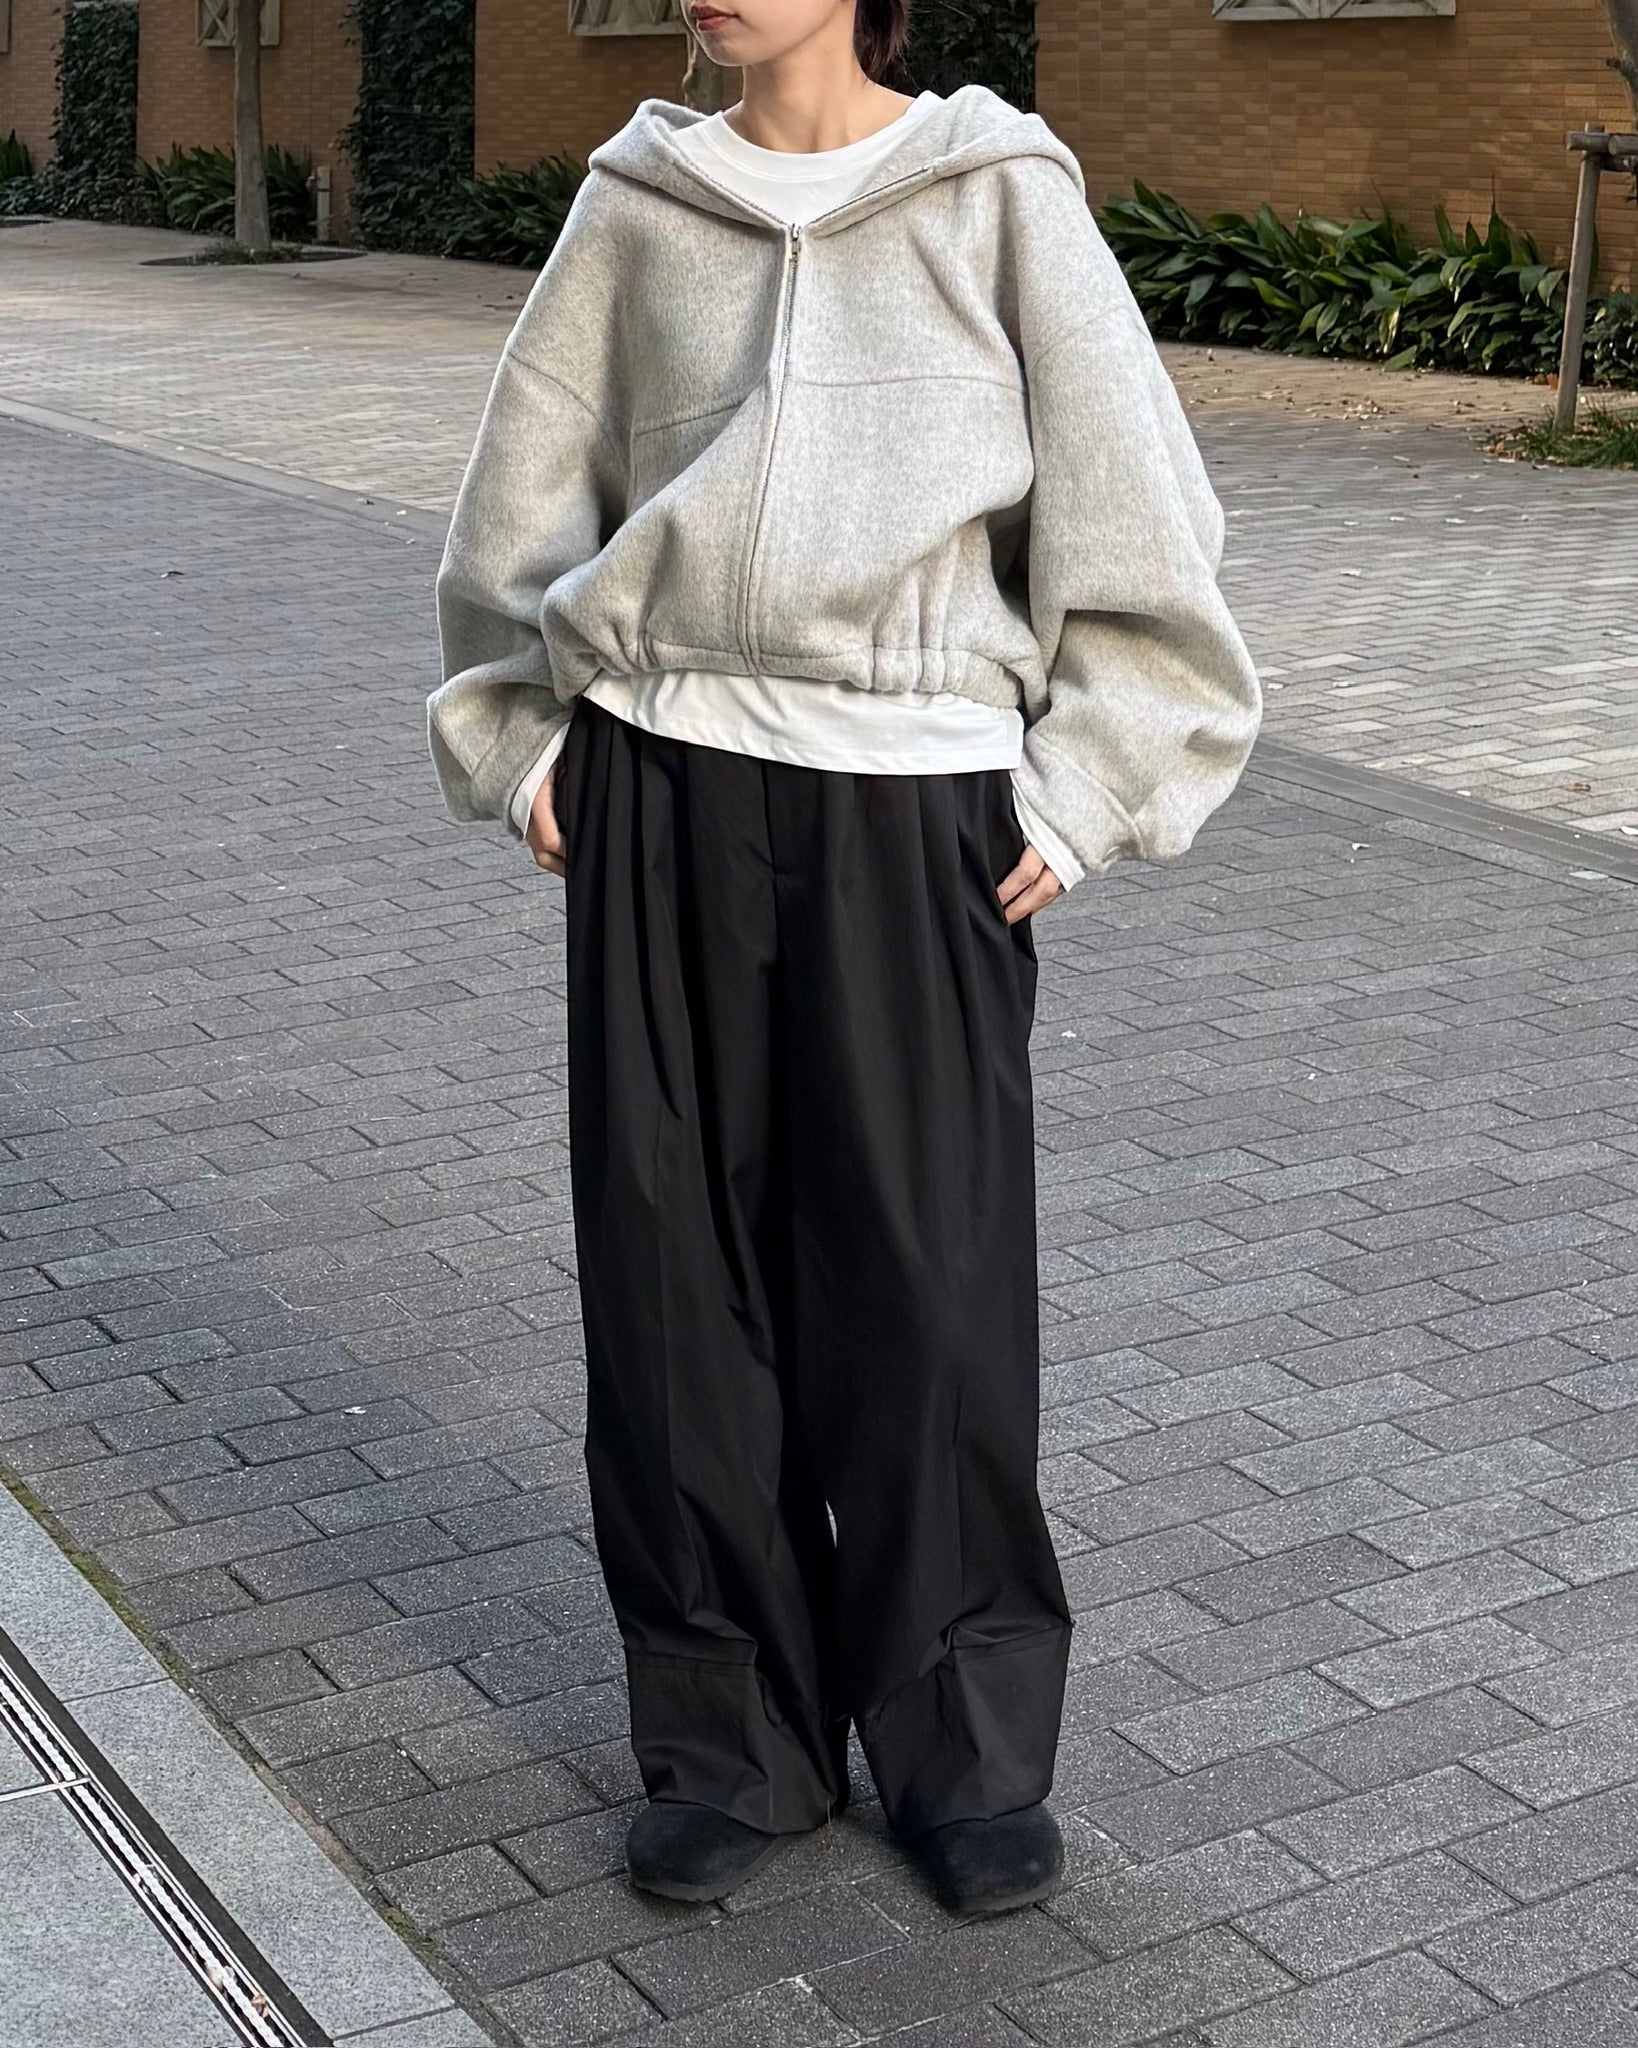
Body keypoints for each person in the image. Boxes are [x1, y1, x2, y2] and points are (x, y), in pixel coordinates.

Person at [427, 0, 1262, 1919]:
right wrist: (525, 746)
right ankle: (730, 1743)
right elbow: (517, 504)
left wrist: (1089, 786)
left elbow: (1138, 512)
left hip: (913, 809)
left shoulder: (996, 193)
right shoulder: (638, 203)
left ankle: (962, 1749)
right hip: (660, 790)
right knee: (671, 1285)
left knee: (928, 1289)